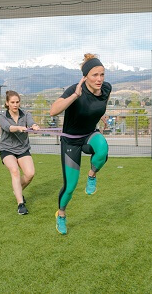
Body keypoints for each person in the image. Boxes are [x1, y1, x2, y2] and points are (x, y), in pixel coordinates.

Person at [49, 53, 111, 234]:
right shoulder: (74, 90)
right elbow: (53, 111)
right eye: (95, 75)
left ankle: (92, 175)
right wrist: (74, 96)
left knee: (102, 149)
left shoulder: (107, 88)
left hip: (90, 135)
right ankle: (61, 214)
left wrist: (101, 115)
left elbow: (99, 104)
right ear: (85, 77)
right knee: (70, 187)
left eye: (102, 74)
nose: (99, 79)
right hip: (71, 142)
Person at [0, 90, 40, 215]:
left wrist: (35, 126)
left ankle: (17, 191)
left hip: (23, 148)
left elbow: (31, 122)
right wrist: (18, 128)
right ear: (7, 103)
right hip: (7, 149)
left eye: (17, 102)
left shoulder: (25, 114)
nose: (15, 105)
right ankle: (20, 204)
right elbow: (7, 127)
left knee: (30, 174)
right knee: (15, 171)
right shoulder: (2, 116)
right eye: (12, 102)